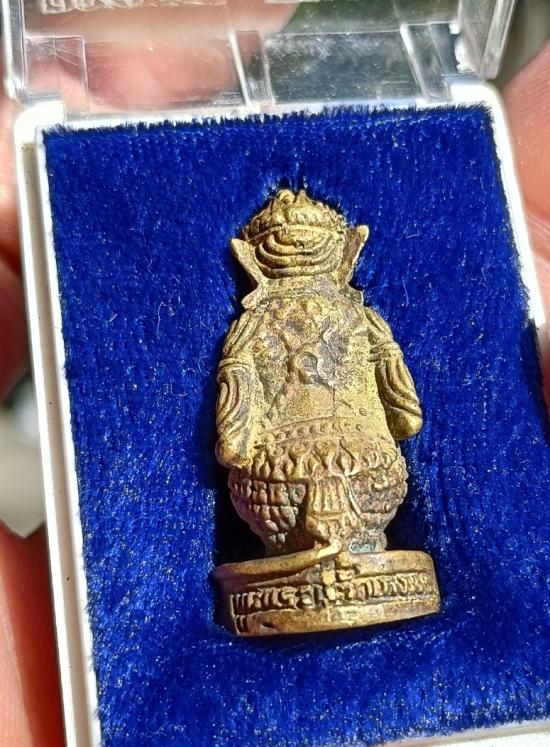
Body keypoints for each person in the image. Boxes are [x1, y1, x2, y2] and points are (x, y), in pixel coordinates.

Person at [0, 22, 548, 744]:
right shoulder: (320, 319)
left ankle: (330, 540)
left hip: (298, 479)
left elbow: (252, 414)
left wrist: (262, 433)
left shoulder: (283, 323)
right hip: (337, 475)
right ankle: (338, 542)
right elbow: (397, 406)